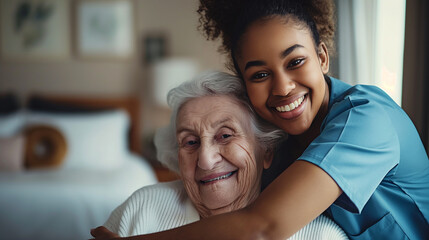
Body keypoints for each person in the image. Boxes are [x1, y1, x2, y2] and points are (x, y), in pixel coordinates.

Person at [93, 0, 429, 239]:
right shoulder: (275, 146)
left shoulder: (369, 119)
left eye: (295, 61)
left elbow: (262, 227)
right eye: (260, 74)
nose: (282, 87)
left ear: (323, 57)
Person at [91, 71, 348, 239]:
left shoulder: (320, 236)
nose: (205, 159)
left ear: (266, 150)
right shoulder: (141, 210)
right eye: (190, 142)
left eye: (225, 136)